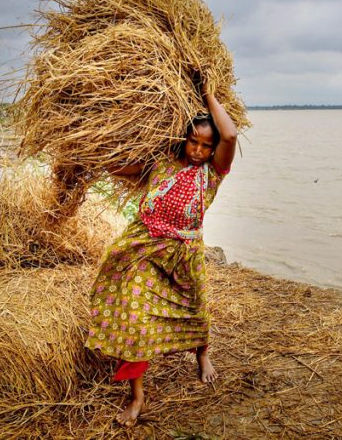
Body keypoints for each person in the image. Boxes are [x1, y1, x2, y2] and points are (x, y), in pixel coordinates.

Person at [84, 81, 238, 427]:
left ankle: (202, 356)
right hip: (143, 247)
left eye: (205, 145)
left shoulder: (213, 174)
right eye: (193, 141)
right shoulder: (162, 163)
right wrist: (90, 154)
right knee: (136, 318)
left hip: (184, 252)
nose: (198, 150)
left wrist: (208, 91)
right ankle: (137, 395)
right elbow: (119, 169)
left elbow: (229, 136)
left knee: (196, 309)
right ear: (183, 139)